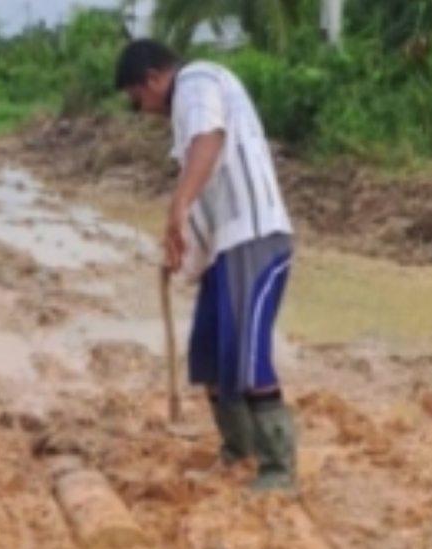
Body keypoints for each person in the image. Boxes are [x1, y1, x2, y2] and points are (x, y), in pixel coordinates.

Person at [114, 39, 297, 492]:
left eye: (138, 98)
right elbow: (203, 199)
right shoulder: (184, 119)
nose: (141, 109)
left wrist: (178, 202)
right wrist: (183, 259)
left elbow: (209, 141)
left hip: (253, 238)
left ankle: (278, 471)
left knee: (248, 361)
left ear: (154, 78)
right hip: (224, 251)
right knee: (210, 359)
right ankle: (239, 453)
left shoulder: (196, 80)